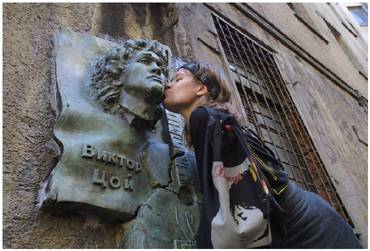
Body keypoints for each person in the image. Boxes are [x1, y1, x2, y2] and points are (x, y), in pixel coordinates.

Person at [162, 60, 363, 249]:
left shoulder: (206, 119)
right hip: (312, 216)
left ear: (201, 88)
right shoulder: (219, 121)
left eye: (178, 79)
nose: (169, 85)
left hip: (308, 229)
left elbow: (230, 204)